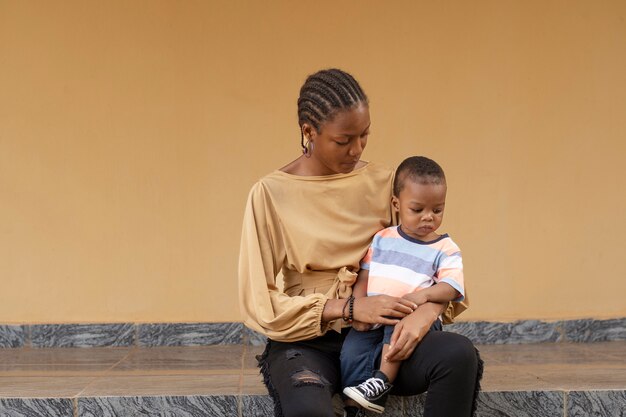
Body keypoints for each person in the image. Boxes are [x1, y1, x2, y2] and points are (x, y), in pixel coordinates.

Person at [238, 68, 482, 417]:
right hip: (309, 344)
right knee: (309, 412)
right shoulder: (270, 194)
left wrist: (424, 315)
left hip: (385, 339)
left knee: (458, 355)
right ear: (309, 131)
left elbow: (435, 263)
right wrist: (349, 308)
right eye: (343, 140)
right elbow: (258, 303)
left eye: (364, 136)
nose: (357, 149)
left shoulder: (385, 183)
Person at [341, 156, 466, 414]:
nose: (428, 218)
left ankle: (382, 382)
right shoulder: (381, 239)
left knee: (395, 333)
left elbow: (451, 287)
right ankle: (357, 401)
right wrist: (358, 306)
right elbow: (364, 275)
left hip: (410, 316)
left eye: (437, 210)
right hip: (376, 315)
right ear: (396, 204)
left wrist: (421, 298)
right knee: (351, 350)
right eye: (417, 210)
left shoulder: (444, 247)